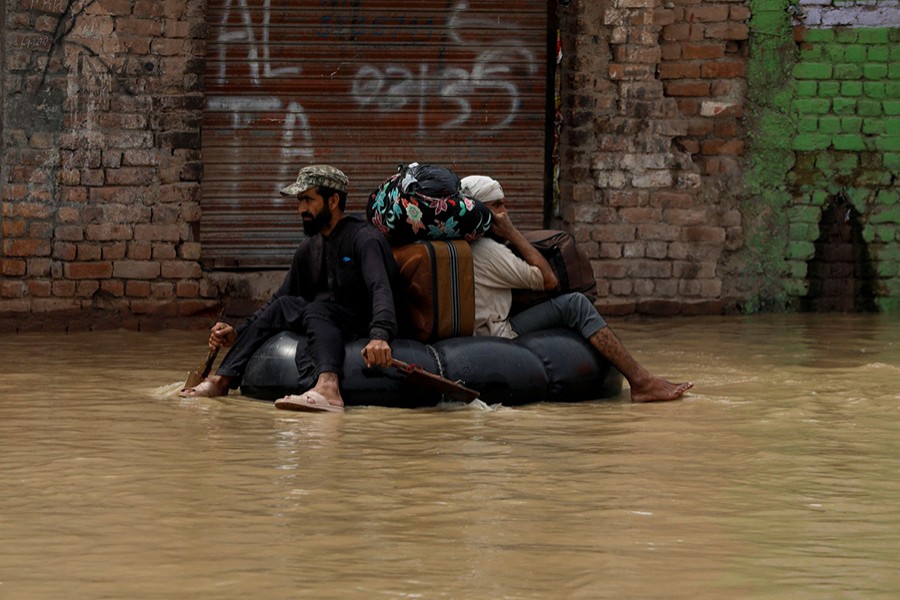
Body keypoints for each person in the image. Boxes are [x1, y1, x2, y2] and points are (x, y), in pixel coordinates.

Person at [180, 165, 399, 413]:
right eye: (299, 201)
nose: (301, 209)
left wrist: (380, 335)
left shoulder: (363, 239)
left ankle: (329, 389)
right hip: (323, 320)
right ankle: (220, 381)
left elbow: (381, 288)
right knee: (286, 306)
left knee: (317, 309)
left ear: (334, 200)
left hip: (361, 320)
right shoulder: (309, 248)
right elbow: (281, 299)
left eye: (308, 199)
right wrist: (238, 333)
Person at [460, 175, 693, 402]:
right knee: (576, 304)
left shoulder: (460, 243)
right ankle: (641, 381)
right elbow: (548, 280)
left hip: (473, 329)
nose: (505, 212)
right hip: (493, 335)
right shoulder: (488, 251)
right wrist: (511, 232)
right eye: (497, 205)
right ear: (482, 212)